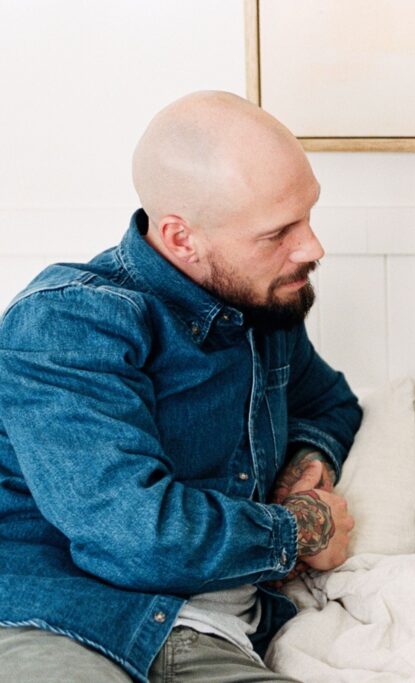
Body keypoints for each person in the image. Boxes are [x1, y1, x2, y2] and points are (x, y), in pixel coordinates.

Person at [0, 91, 363, 681]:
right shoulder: (68, 324)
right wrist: (297, 529)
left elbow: (329, 403)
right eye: (278, 232)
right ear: (181, 237)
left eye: (309, 214)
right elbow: (136, 535)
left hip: (213, 639)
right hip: (63, 621)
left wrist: (306, 463)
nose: (312, 247)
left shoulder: (261, 306)